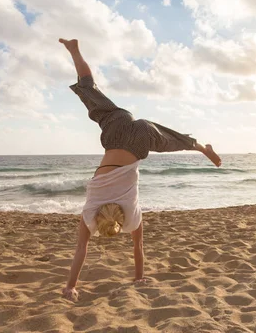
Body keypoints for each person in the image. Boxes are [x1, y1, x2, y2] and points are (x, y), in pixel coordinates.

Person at [60, 38, 221, 301]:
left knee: (172, 140)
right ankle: (74, 50)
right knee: (90, 90)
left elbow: (138, 247)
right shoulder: (91, 212)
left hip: (140, 138)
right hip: (116, 129)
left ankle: (203, 148)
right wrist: (70, 286)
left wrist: (139, 277)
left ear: (118, 222)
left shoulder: (131, 217)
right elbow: (80, 249)